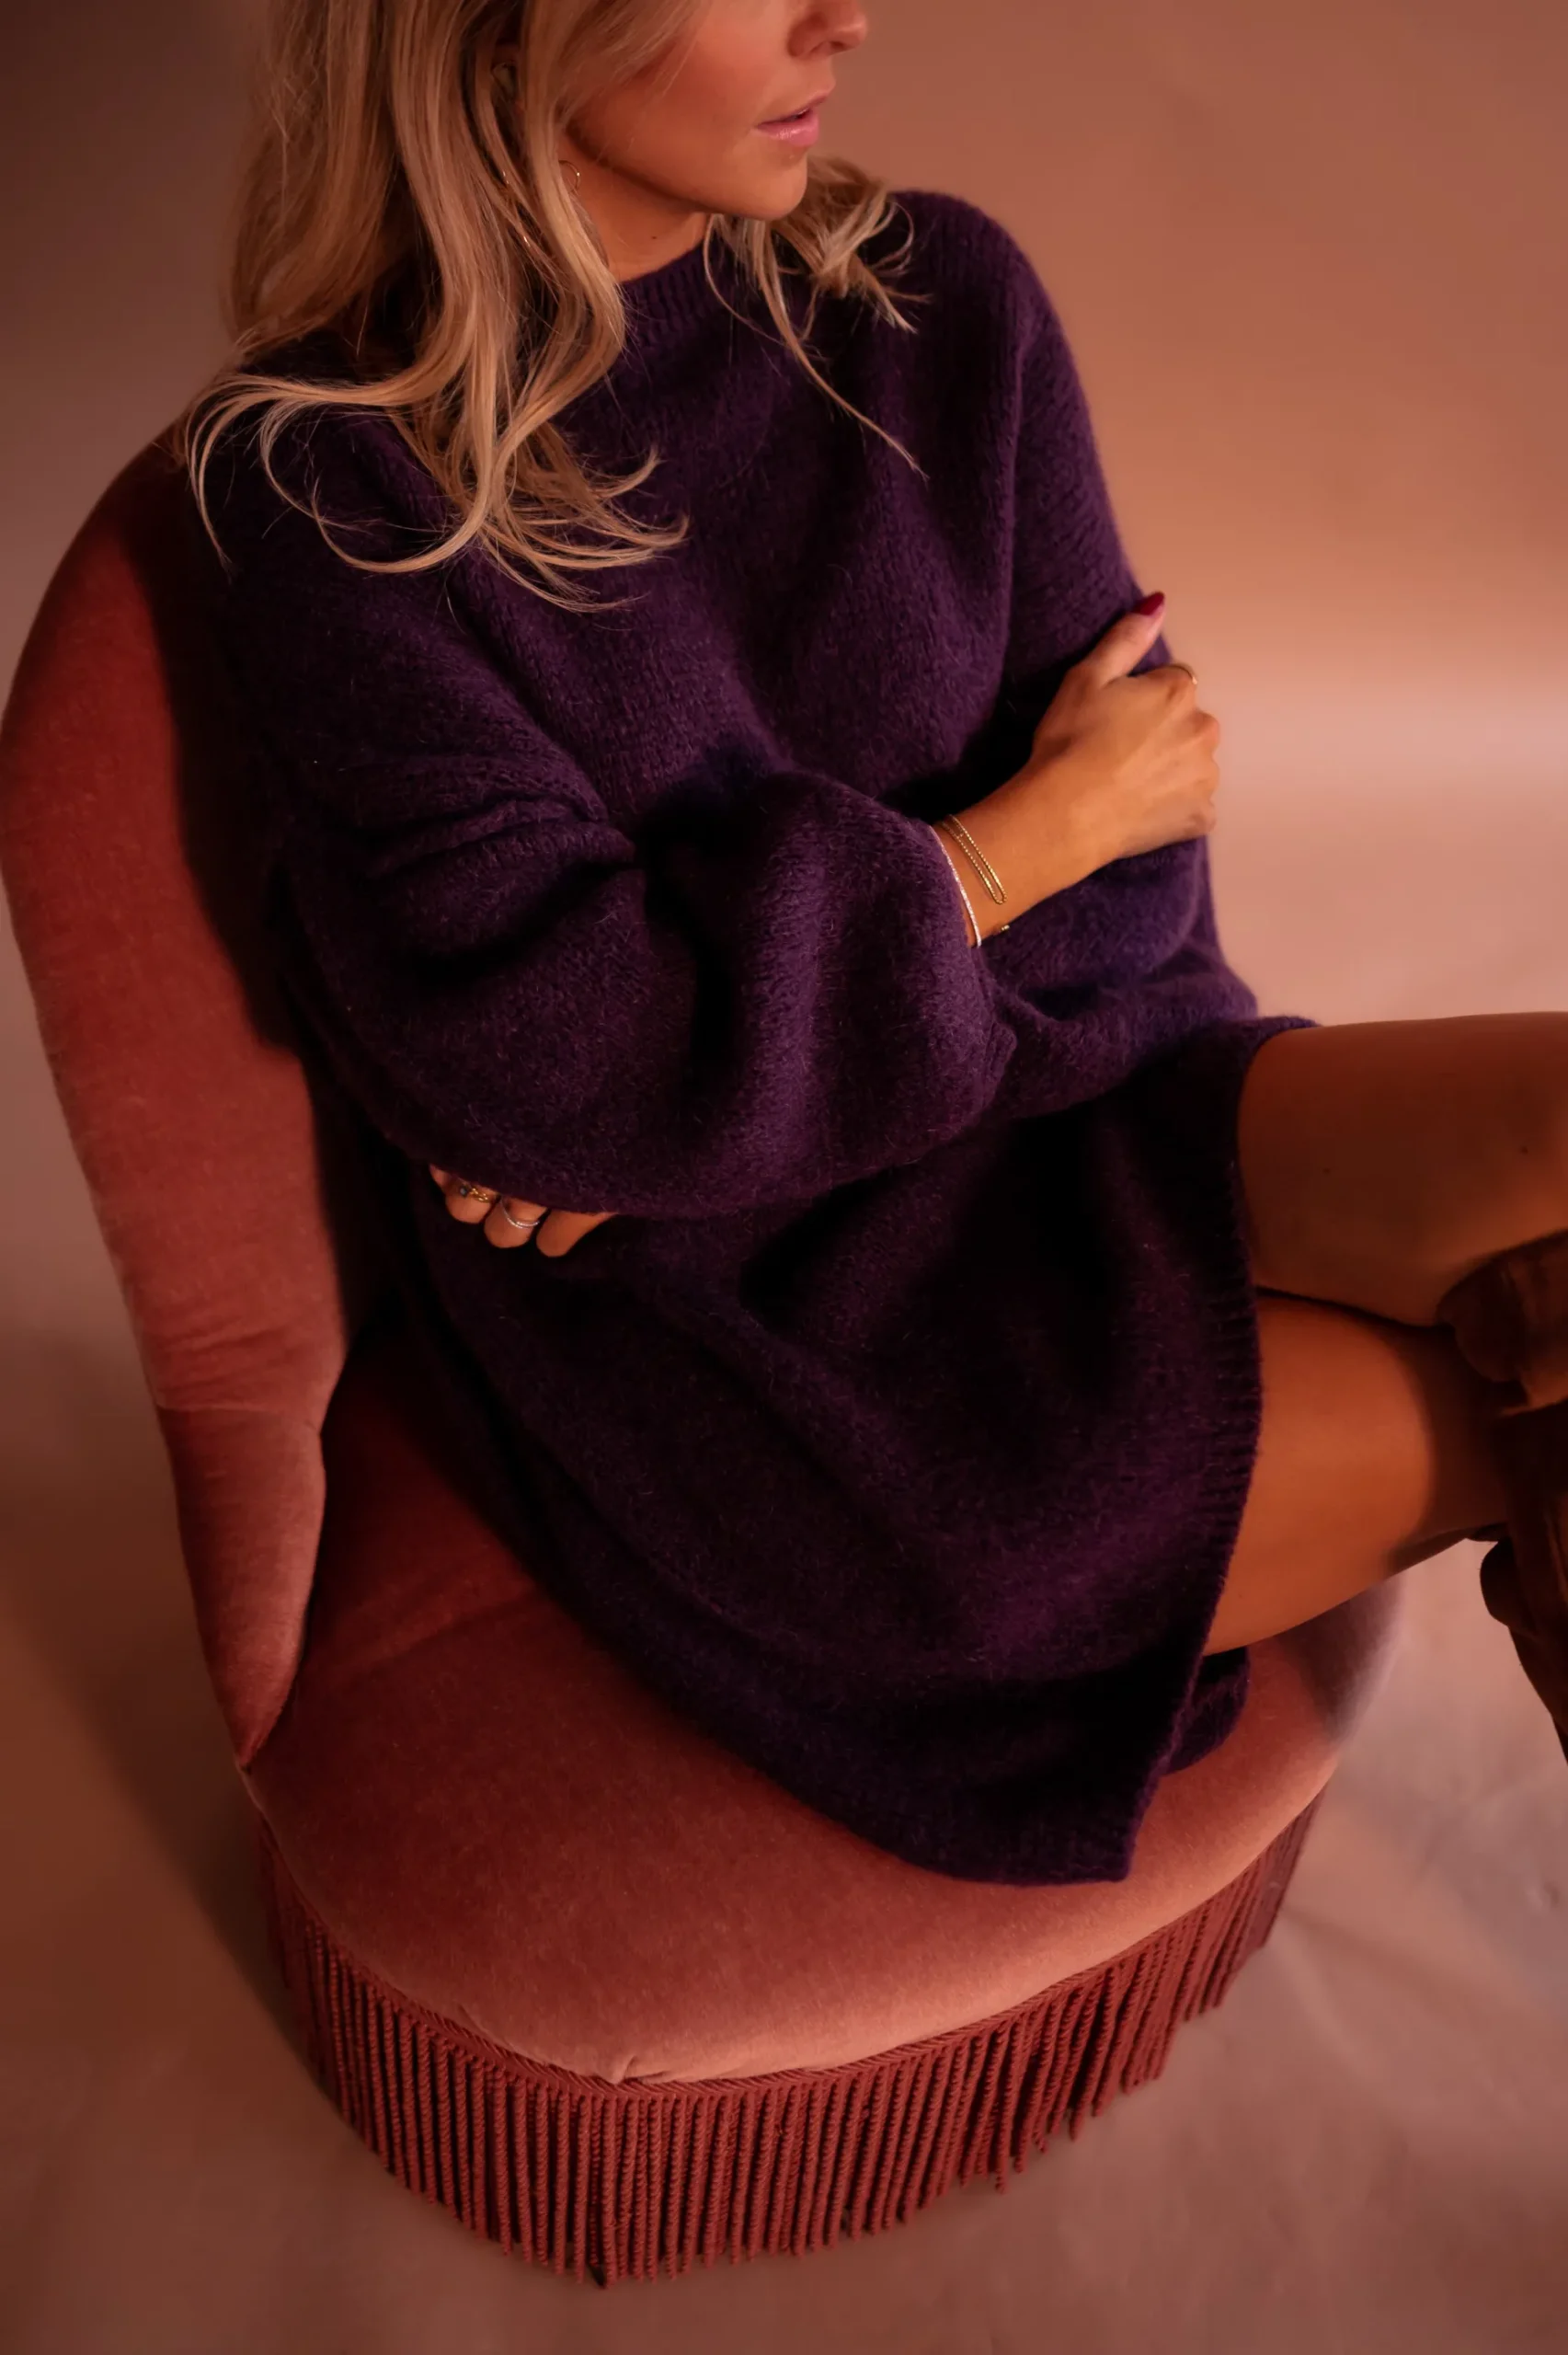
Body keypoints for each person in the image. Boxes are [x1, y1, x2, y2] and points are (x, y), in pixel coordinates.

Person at [175, 0, 1568, 1888]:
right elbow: (554, 1063)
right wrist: (1009, 846)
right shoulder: (326, 492)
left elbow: (1140, 861)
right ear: (498, 24)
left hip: (1102, 1090)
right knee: (1451, 1417)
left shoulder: (942, 304)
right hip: (771, 1346)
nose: (847, 15)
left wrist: (691, 1068)